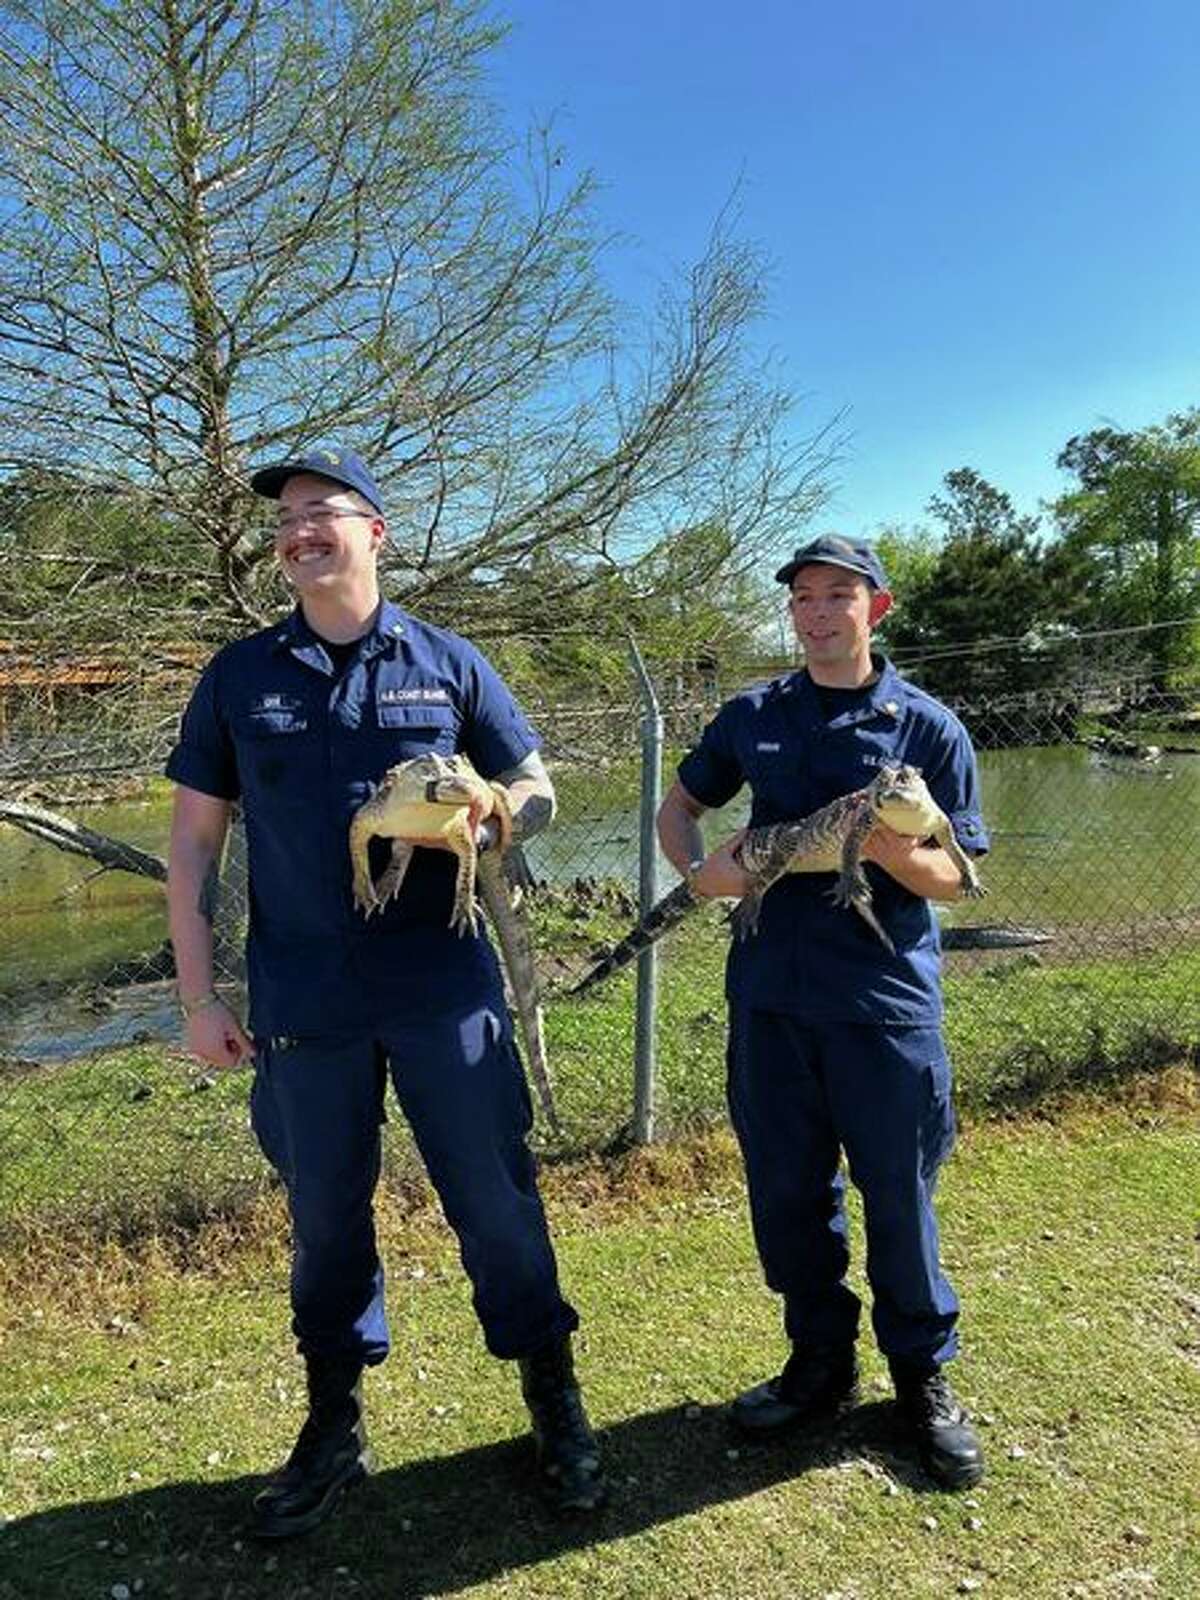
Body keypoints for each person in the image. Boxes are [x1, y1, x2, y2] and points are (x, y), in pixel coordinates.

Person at [166, 446, 605, 1537]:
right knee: (322, 1217)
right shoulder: (239, 676)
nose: (298, 531)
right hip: (303, 1001)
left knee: (497, 1203)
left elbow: (537, 785)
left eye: (322, 512)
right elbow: (191, 849)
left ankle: (552, 1399)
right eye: (285, 520)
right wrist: (199, 998)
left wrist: (496, 817)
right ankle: (334, 1426)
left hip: (444, 990)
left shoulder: (448, 663)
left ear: (377, 532)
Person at [656, 534, 988, 1490]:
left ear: (874, 609)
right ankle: (818, 1363)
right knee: (788, 1194)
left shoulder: (927, 729)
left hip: (884, 1006)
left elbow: (959, 880)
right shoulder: (754, 714)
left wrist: (878, 846)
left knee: (899, 1195)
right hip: (770, 1000)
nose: (817, 613)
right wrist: (699, 873)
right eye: (802, 597)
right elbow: (681, 811)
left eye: (838, 595)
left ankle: (922, 1381)